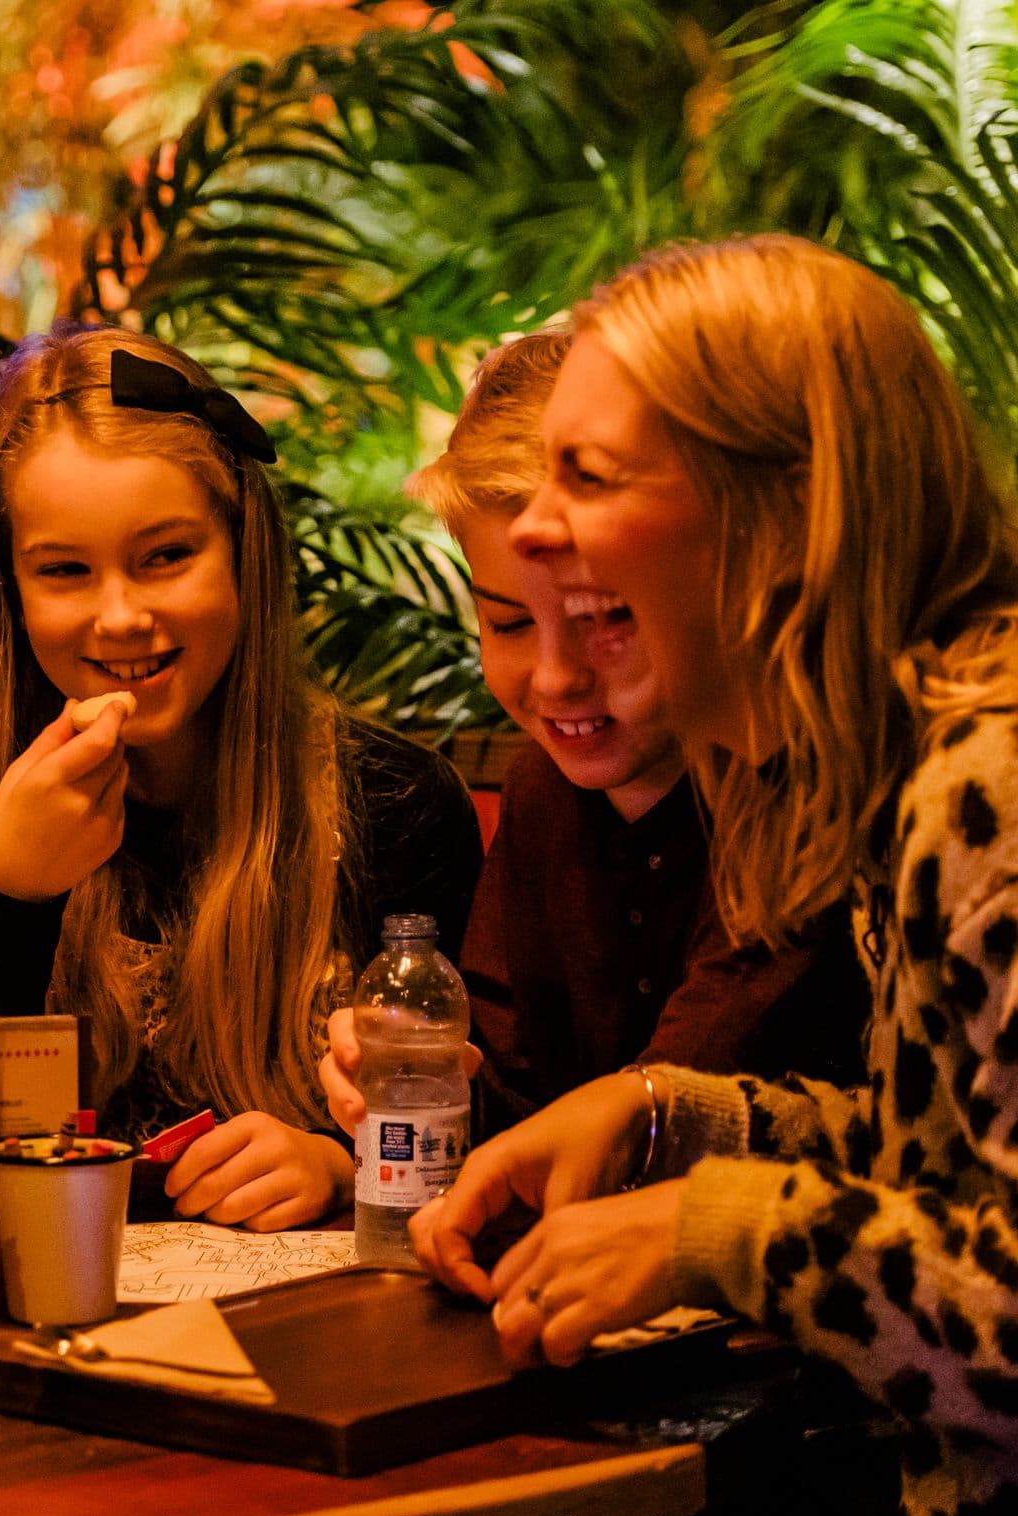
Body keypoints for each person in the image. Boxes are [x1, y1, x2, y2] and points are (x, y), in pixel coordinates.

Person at [411, 235, 1018, 1516]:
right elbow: (964, 1160)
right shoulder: (916, 744)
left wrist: (722, 1231)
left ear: (778, 507)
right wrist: (669, 1120)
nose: (535, 530)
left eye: (588, 479)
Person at [0, 323, 482, 1232]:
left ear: (242, 554)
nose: (121, 615)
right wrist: (8, 896)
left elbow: (480, 1124)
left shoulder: (394, 802)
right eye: (66, 571)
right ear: (11, 592)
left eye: (165, 556)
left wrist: (335, 1160)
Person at [319, 329, 866, 1139]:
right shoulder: (547, 785)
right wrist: (397, 1100)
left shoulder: (792, 789)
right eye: (506, 622)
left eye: (606, 617)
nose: (554, 677)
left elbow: (663, 1110)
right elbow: (511, 1092)